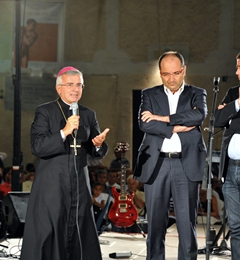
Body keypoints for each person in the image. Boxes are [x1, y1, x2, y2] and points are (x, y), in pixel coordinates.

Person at [20, 66, 110, 260]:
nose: (75, 89)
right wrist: (64, 132)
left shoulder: (88, 114)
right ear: (58, 88)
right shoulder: (45, 111)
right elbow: (37, 146)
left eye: (79, 85)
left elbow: (97, 151)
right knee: (52, 230)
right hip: (52, 184)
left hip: (79, 184)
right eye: (70, 84)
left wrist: (98, 145)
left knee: (80, 227)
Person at [134, 51, 207, 260]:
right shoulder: (149, 94)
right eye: (166, 74)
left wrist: (162, 118)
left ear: (183, 71)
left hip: (186, 164)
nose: (171, 79)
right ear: (160, 73)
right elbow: (144, 123)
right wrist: (178, 127)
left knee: (186, 225)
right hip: (156, 165)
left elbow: (198, 115)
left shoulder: (196, 93)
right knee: (155, 224)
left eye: (176, 73)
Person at [214, 52, 240, 259]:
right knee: (236, 225)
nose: (237, 72)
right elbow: (217, 121)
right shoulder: (233, 93)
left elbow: (228, 119)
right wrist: (237, 105)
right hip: (231, 170)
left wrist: (231, 116)